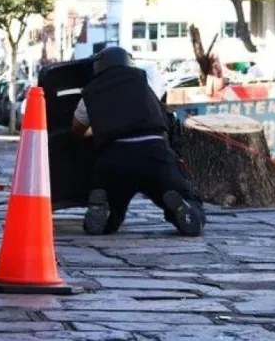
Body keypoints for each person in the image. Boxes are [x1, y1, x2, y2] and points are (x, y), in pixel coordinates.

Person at [71, 46, 206, 236]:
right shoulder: (145, 78)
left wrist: (102, 127)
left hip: (113, 158)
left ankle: (106, 213)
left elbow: (77, 129)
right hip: (155, 153)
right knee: (185, 195)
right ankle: (185, 209)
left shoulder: (90, 93)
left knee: (115, 208)